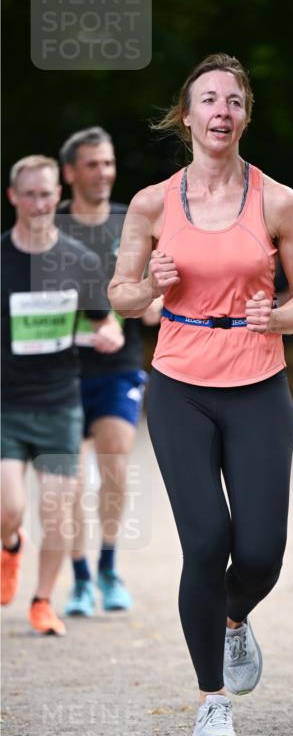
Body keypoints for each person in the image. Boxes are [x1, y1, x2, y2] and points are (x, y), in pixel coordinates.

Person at [108, 53, 293, 736]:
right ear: (187, 114)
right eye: (208, 100)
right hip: (179, 384)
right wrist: (152, 284)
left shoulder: (278, 200)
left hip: (259, 382)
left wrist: (281, 318)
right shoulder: (150, 203)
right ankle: (211, 701)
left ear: (245, 115)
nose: (221, 112)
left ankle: (233, 619)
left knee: (260, 554)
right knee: (205, 542)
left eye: (233, 101)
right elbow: (122, 295)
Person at [1, 156, 123, 634]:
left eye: (47, 193)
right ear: (13, 197)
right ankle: (11, 545)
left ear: (58, 195)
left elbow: (102, 318)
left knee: (56, 512)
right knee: (9, 507)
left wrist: (110, 331)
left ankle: (42, 601)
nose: (39, 203)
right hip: (7, 405)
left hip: (59, 405)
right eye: (29, 194)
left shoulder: (79, 259)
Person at [57, 126, 162, 617]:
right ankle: (78, 580)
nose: (103, 173)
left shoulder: (131, 220)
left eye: (108, 163)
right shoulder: (50, 228)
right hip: (59, 373)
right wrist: (90, 323)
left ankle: (109, 567)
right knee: (72, 480)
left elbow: (150, 295)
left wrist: (152, 301)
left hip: (119, 369)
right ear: (70, 172)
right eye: (93, 164)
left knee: (116, 468)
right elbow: (31, 302)